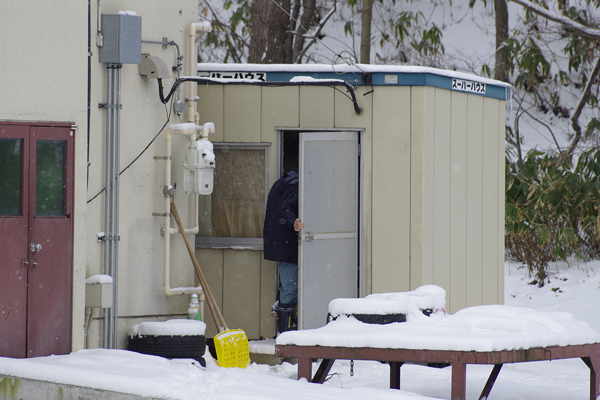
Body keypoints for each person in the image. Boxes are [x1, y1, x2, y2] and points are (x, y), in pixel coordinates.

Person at [263, 167, 304, 334]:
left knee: (290, 284)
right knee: (290, 286)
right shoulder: (297, 186)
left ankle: (284, 315)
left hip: (281, 241)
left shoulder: (285, 182)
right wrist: (293, 222)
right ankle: (286, 334)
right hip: (287, 242)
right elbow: (286, 208)